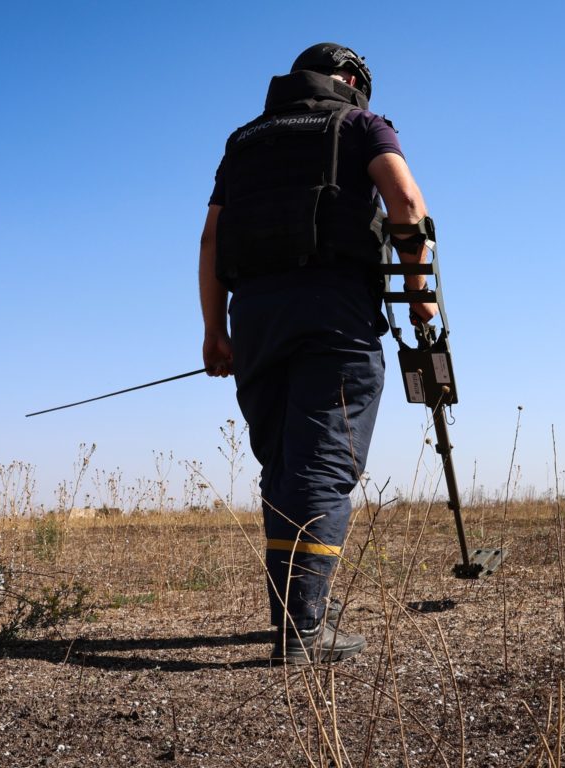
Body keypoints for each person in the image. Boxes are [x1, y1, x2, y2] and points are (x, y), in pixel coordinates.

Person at [199, 43, 437, 663]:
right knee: (325, 463)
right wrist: (421, 296)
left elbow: (211, 239)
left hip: (252, 316)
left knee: (284, 464)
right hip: (335, 310)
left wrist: (213, 333)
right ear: (353, 81)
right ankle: (303, 631)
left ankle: (293, 617)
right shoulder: (362, 125)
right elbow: (407, 205)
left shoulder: (243, 141)